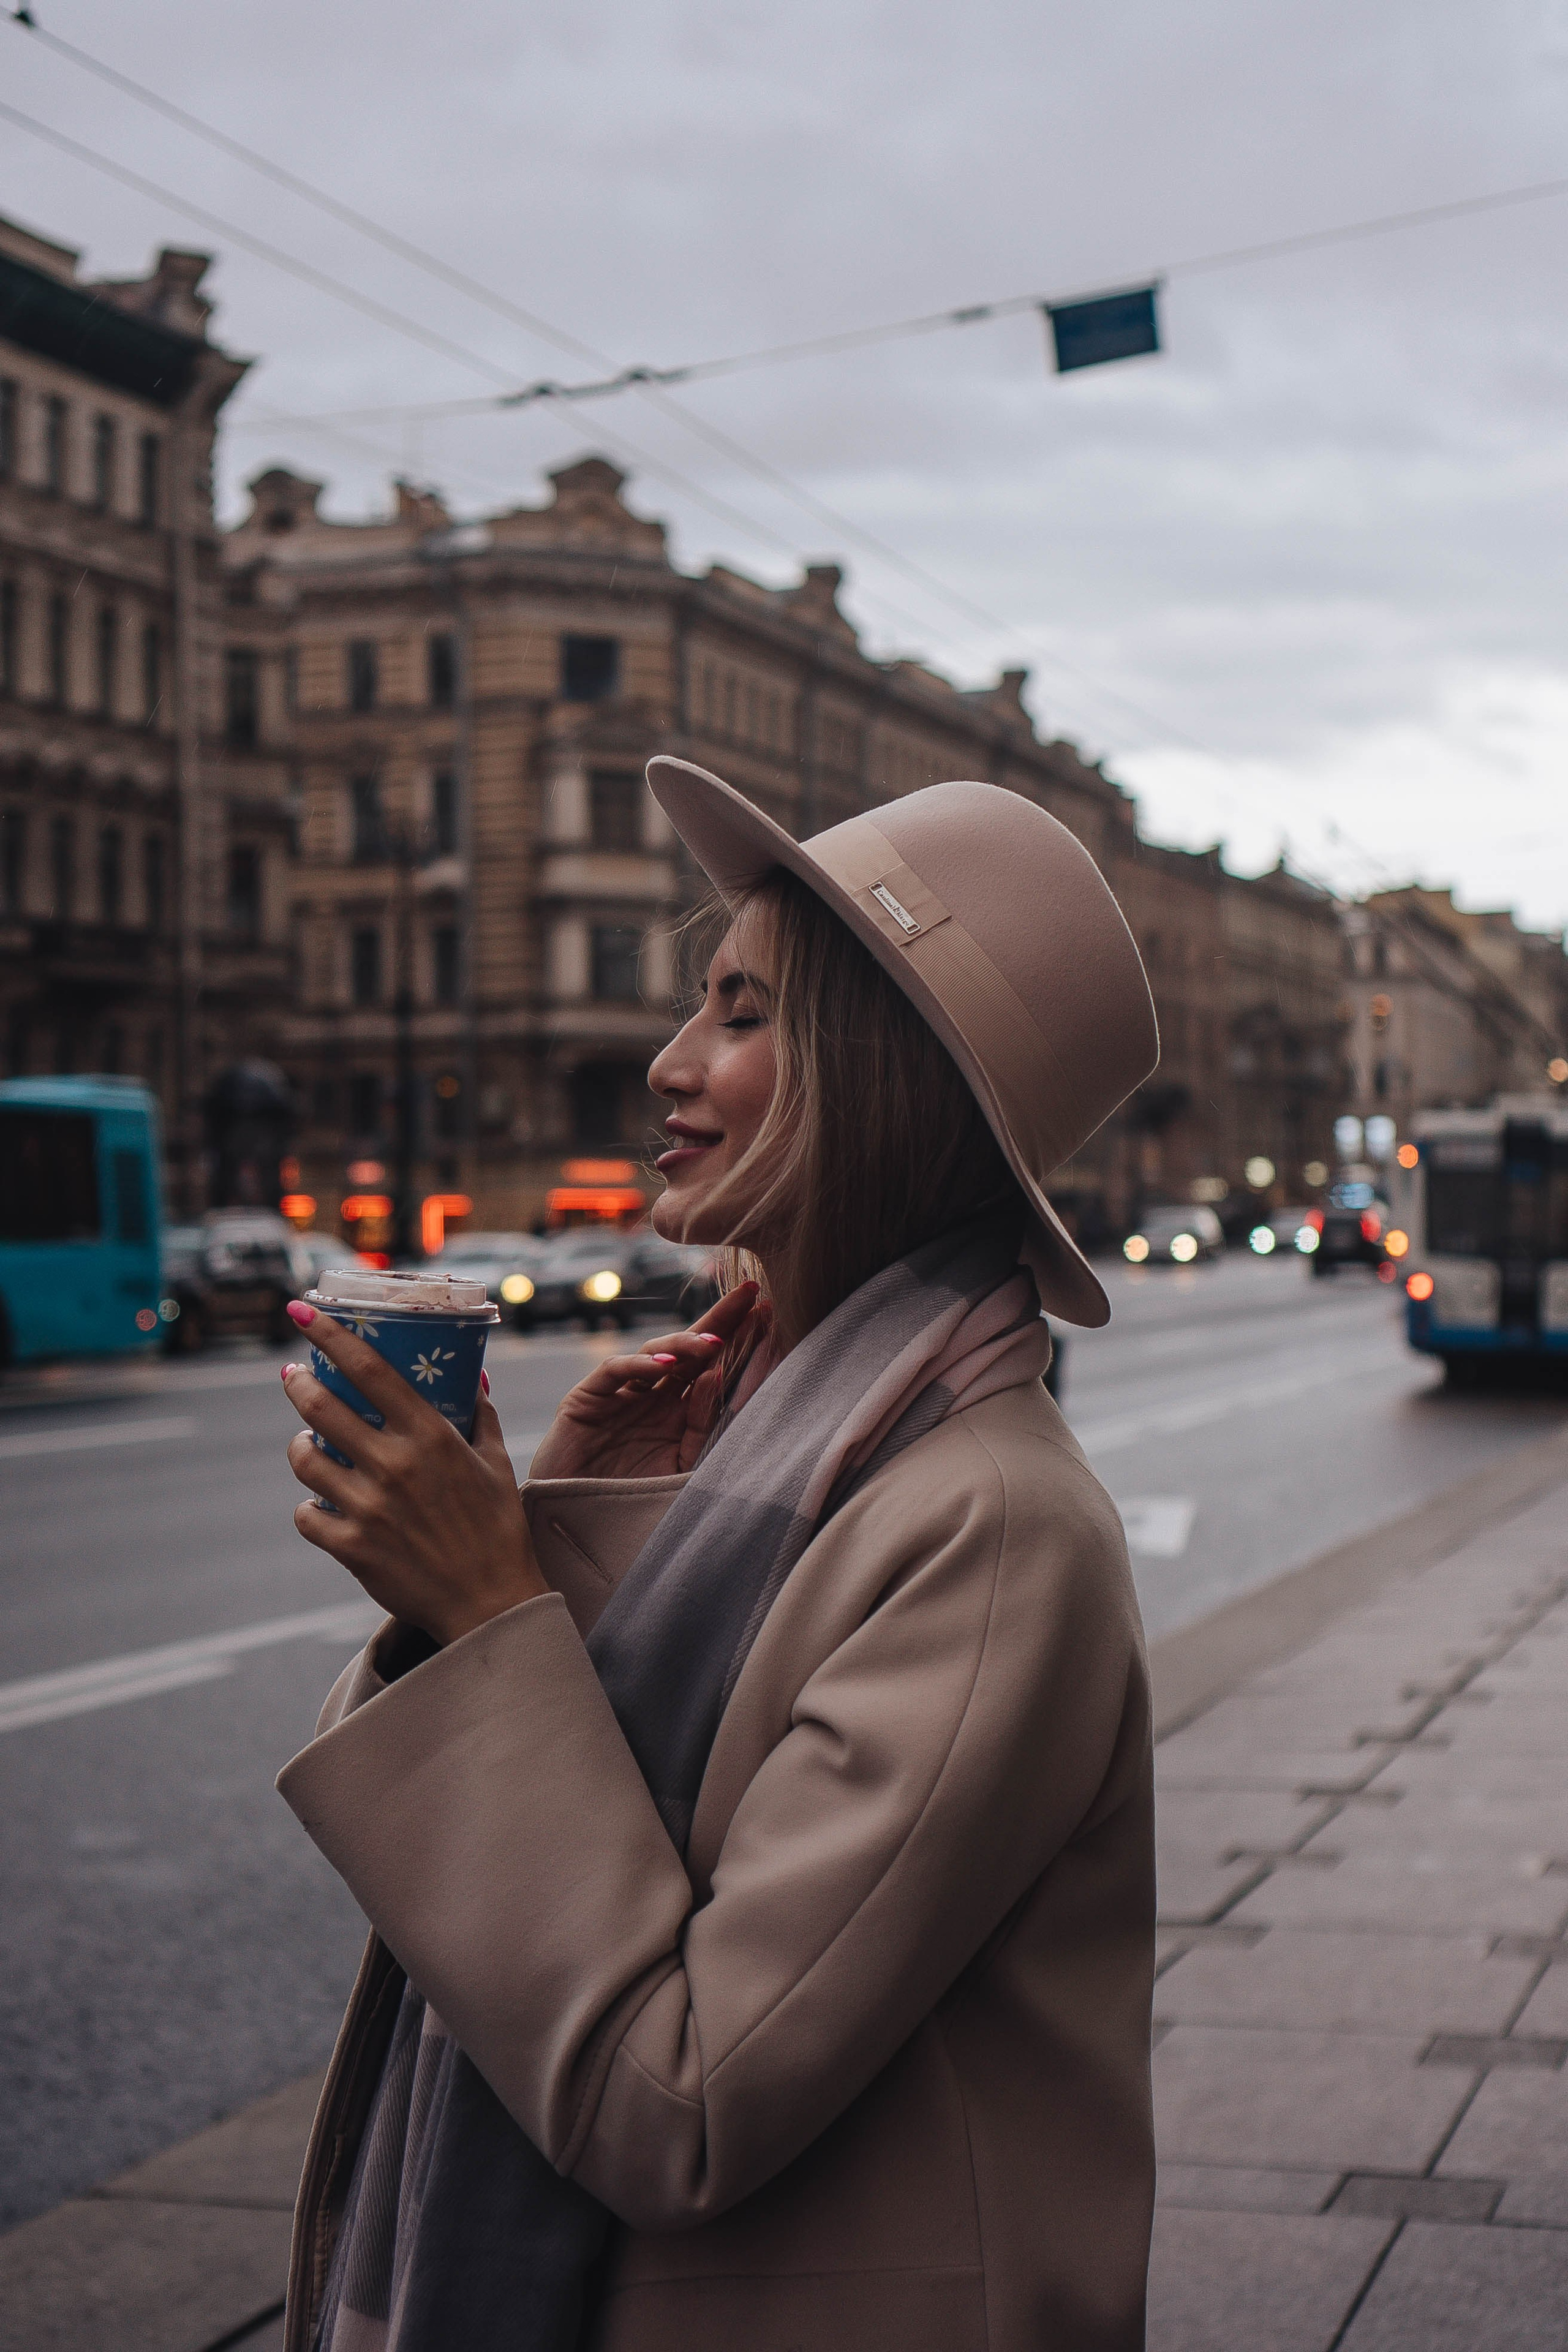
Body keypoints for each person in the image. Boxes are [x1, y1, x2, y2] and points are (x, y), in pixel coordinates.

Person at [276, 758, 1161, 2352]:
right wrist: (558, 1543)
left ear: (891, 1075)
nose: (671, 1064)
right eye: (696, 1005)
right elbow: (635, 1833)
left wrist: (487, 1614)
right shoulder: (806, 1453)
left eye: (745, 1015)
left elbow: (676, 2102)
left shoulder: (999, 1525)